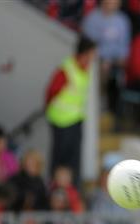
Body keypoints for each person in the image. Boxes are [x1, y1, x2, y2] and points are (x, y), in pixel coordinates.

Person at [45, 35, 97, 187]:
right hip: (61, 120)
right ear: (85, 53)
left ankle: (71, 190)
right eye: (93, 53)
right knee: (61, 159)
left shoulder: (84, 68)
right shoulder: (66, 70)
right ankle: (56, 189)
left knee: (73, 161)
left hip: (75, 119)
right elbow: (51, 91)